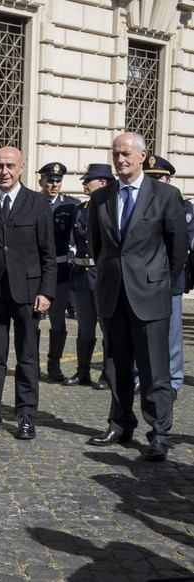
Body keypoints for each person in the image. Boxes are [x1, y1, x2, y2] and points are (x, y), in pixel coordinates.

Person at [85, 133, 188, 462]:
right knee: (116, 366)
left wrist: (159, 283)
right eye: (115, 154)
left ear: (143, 155)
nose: (120, 160)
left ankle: (159, 432)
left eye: (126, 154)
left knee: (154, 369)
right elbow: (97, 247)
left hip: (150, 295)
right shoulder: (101, 198)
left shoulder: (166, 195)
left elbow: (178, 249)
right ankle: (119, 423)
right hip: (113, 294)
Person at [0, 146, 56, 439]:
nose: (4, 171)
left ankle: (26, 414)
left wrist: (46, 292)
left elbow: (48, 254)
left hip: (28, 292)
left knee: (27, 356)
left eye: (10, 166)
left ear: (21, 168)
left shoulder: (37, 203)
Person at [142, 155, 194, 399]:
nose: (158, 183)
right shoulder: (142, 202)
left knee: (172, 334)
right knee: (141, 331)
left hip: (170, 278)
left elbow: (181, 245)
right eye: (152, 179)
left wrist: (170, 277)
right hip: (142, 280)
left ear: (170, 179)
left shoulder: (183, 206)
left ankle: (172, 381)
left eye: (161, 178)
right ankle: (141, 377)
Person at [64, 163, 113, 390]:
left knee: (107, 327)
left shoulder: (111, 208)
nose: (84, 184)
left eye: (88, 180)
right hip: (81, 275)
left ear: (103, 182)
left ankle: (108, 374)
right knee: (85, 326)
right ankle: (82, 371)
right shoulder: (80, 208)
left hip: (102, 275)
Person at [35, 162, 79, 382]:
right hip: (35, 268)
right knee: (31, 319)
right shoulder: (31, 202)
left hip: (60, 268)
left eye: (58, 181)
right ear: (40, 181)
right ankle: (31, 362)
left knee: (57, 319)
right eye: (50, 181)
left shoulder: (71, 206)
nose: (54, 185)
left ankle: (54, 363)